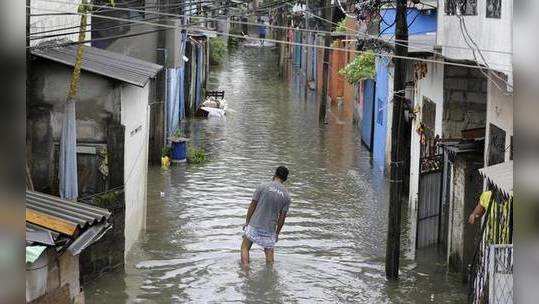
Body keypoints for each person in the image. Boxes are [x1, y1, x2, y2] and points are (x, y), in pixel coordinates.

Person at [241, 166, 291, 265]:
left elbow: (252, 206)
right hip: (270, 229)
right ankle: (270, 276)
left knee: (245, 248)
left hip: (255, 224)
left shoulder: (262, 186)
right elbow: (282, 218)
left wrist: (247, 223)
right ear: (285, 178)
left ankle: (245, 272)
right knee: (269, 257)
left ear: (275, 174)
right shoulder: (286, 196)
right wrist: (277, 233)